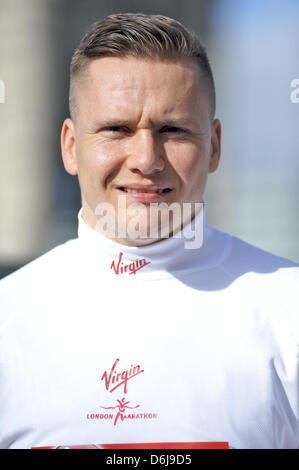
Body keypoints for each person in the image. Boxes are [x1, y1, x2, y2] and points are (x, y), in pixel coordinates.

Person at [0, 12, 298, 450]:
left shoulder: (288, 308)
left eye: (172, 130)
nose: (146, 158)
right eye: (116, 129)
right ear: (70, 147)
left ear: (213, 146)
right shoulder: (8, 318)